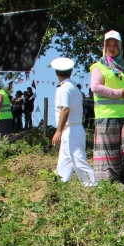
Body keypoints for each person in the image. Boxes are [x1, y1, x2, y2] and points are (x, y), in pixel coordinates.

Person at [90, 30, 124, 184]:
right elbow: (95, 87)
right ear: (104, 47)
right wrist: (118, 93)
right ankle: (111, 181)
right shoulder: (99, 66)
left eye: (115, 45)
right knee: (110, 148)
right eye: (108, 45)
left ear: (120, 46)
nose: (112, 48)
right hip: (108, 113)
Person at [51, 58, 97, 187]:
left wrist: (58, 130)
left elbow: (65, 109)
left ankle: (92, 185)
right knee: (64, 163)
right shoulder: (73, 87)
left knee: (78, 161)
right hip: (72, 130)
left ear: (56, 73)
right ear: (71, 72)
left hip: (71, 130)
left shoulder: (64, 88)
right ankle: (60, 185)